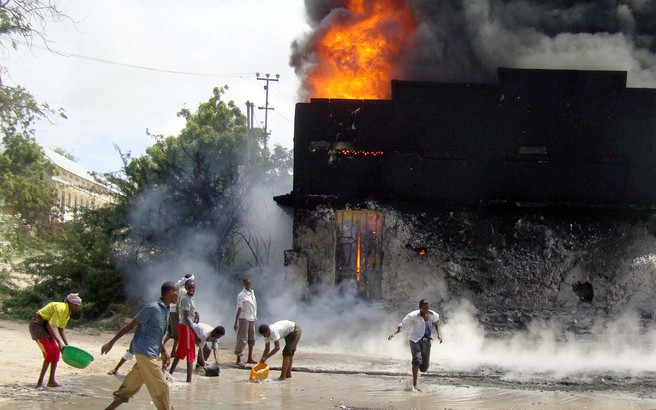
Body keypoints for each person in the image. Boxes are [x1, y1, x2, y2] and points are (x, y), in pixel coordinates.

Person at [101, 281, 179, 410]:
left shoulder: (167, 309)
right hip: (145, 352)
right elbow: (130, 326)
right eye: (177, 293)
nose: (179, 295)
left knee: (129, 388)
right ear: (171, 293)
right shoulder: (152, 308)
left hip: (150, 353)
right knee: (162, 386)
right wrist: (111, 343)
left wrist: (164, 351)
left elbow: (158, 333)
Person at [388, 299, 443, 391]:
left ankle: (417, 366)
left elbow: (436, 324)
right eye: (424, 308)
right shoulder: (413, 315)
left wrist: (439, 334)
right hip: (415, 340)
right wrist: (394, 333)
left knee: (424, 368)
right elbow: (402, 325)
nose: (426, 310)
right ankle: (414, 385)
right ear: (420, 308)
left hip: (426, 341)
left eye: (427, 308)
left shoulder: (433, 315)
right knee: (416, 360)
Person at [29, 293, 82, 388]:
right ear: (70, 303)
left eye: (78, 305)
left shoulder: (67, 312)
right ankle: (39, 383)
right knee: (49, 353)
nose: (77, 307)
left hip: (46, 325)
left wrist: (66, 345)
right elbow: (50, 325)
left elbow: (60, 328)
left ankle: (51, 381)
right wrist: (59, 342)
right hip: (37, 325)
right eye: (76, 304)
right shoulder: (61, 308)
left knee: (56, 351)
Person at [168, 279, 200, 382]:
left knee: (181, 351)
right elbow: (186, 317)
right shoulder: (186, 299)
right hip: (186, 327)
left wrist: (196, 314)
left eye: (193, 288)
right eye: (189, 288)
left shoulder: (191, 298)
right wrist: (195, 333)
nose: (191, 290)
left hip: (185, 326)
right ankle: (189, 380)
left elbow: (189, 312)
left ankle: (169, 374)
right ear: (185, 288)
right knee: (190, 352)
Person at [162, 273, 194, 365]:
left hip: (171, 311)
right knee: (176, 335)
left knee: (170, 333)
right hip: (175, 313)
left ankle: (161, 347)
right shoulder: (183, 290)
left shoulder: (178, 286)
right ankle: (172, 351)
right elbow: (180, 304)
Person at [234, 277, 257, 367]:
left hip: (252, 317)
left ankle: (250, 358)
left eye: (249, 284)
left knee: (252, 338)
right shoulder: (241, 295)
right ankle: (238, 359)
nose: (248, 285)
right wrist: (236, 322)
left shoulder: (252, 292)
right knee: (242, 338)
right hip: (244, 318)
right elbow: (239, 309)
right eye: (246, 284)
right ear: (244, 284)